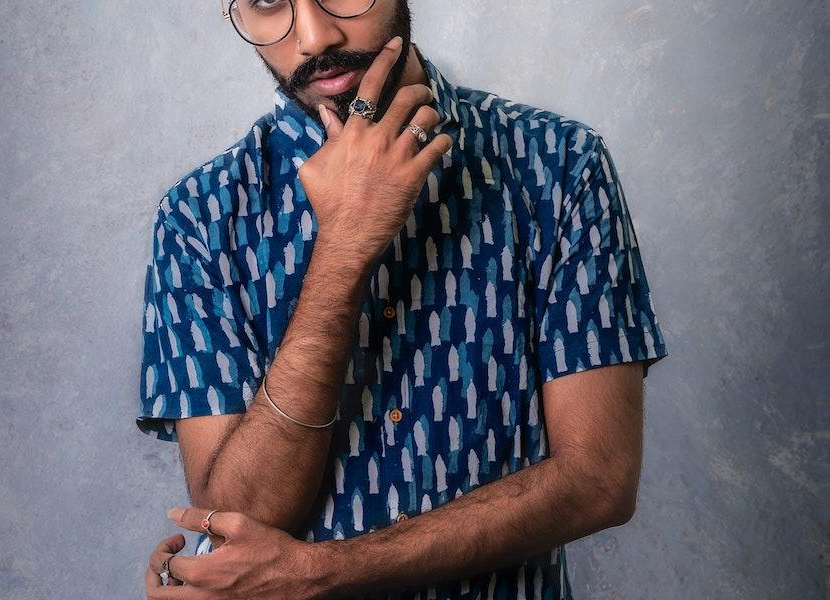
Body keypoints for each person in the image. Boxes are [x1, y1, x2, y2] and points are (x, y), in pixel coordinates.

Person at [137, 1, 669, 598]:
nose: (314, 37)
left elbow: (599, 479)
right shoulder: (199, 218)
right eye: (267, 1)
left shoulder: (561, 167)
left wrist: (323, 573)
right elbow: (239, 512)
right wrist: (342, 249)